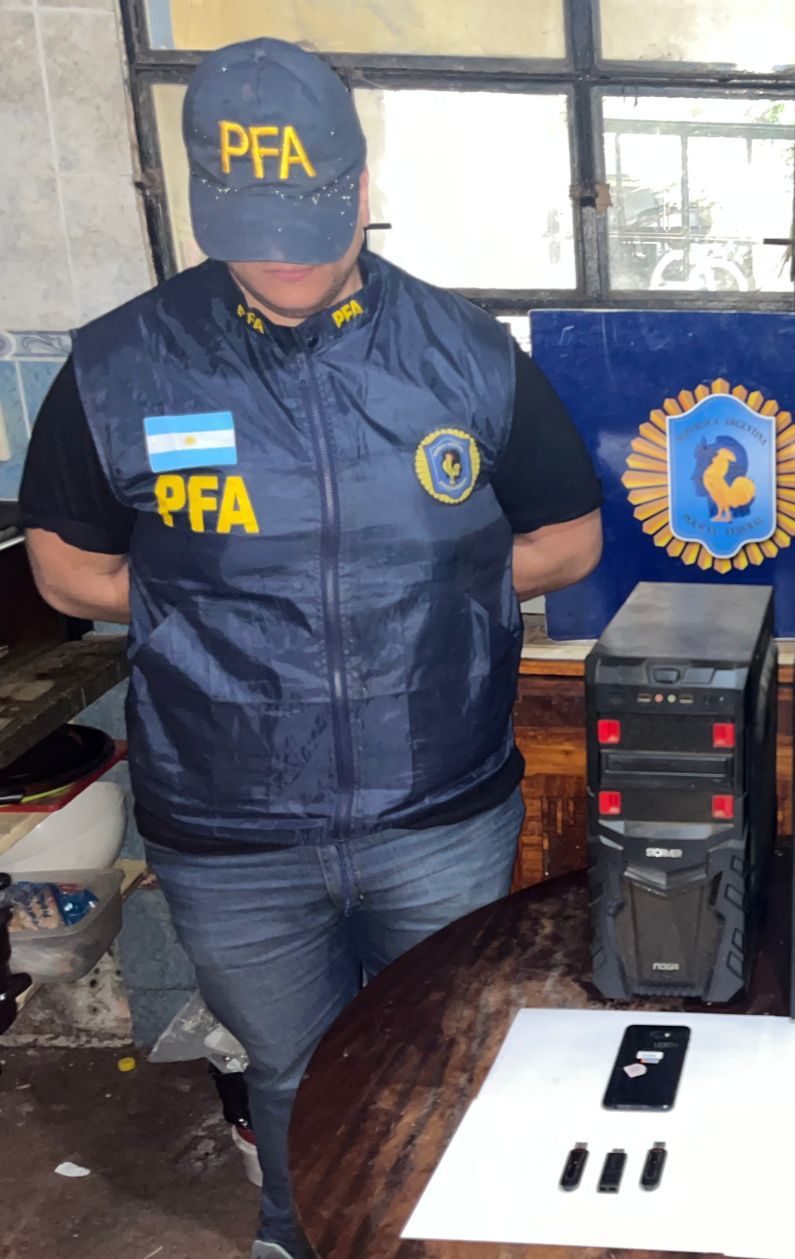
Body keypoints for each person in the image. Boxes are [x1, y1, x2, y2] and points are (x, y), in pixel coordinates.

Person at [19, 38, 602, 1259]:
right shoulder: (120, 363)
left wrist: (427, 587)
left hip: (439, 809)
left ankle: (441, 1238)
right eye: (253, 231)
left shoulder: (465, 351)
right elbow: (65, 567)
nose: (284, 259)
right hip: (228, 828)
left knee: (445, 1047)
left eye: (309, 224)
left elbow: (568, 537)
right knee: (290, 1063)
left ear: (360, 185)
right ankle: (301, 1236)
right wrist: (214, 604)